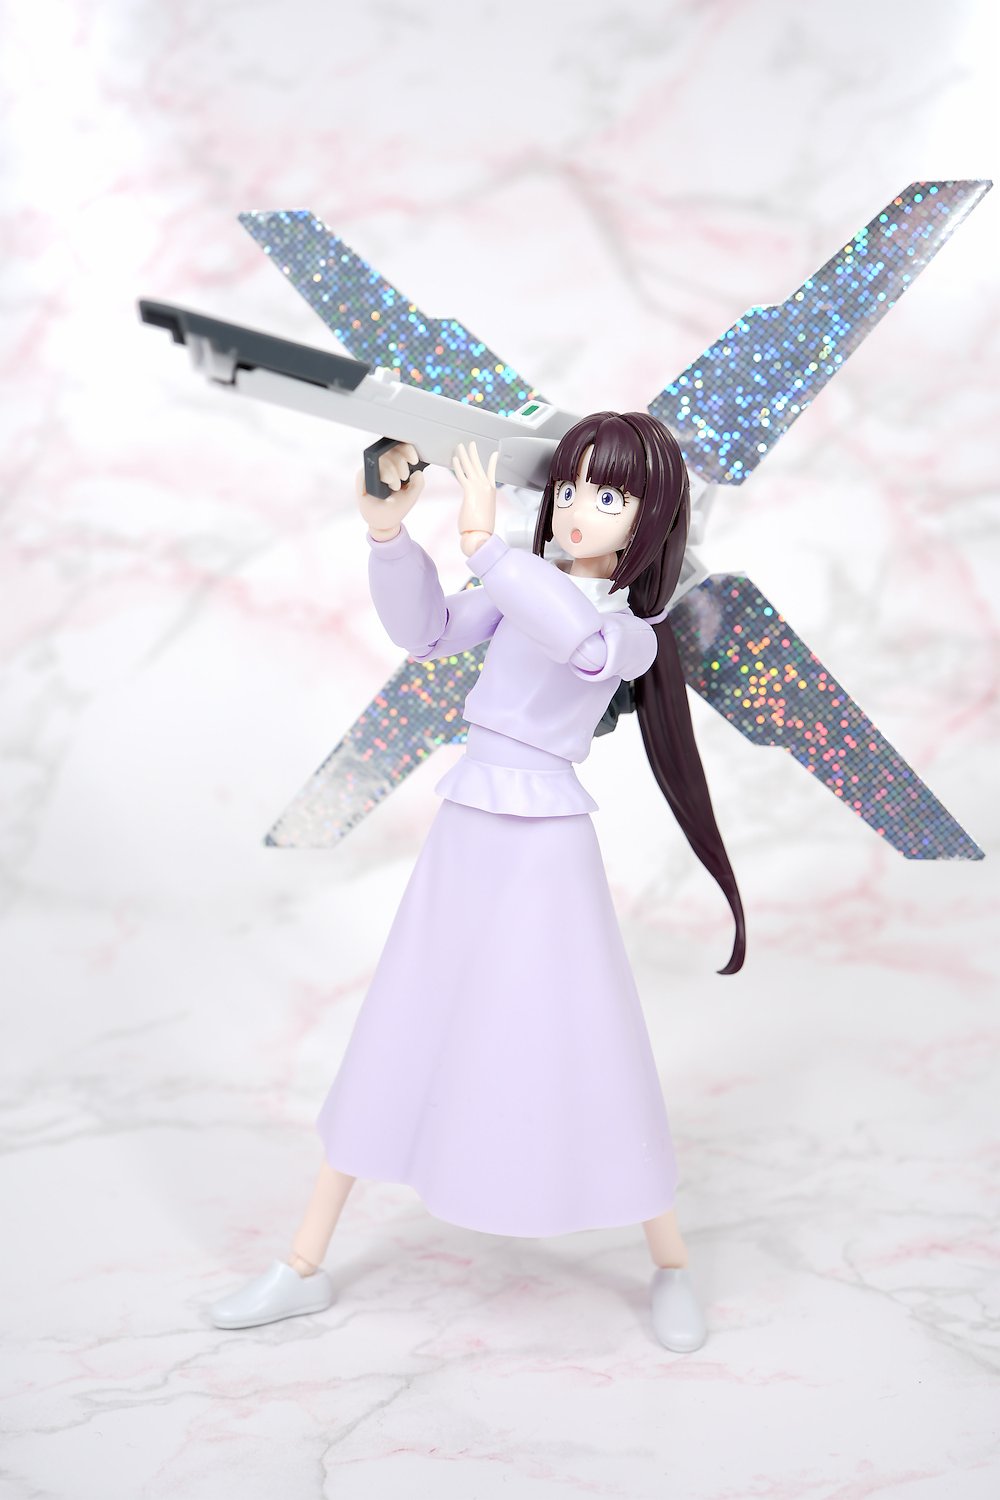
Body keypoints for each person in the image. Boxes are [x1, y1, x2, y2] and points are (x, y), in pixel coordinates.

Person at [210, 412, 744, 1353]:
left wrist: (488, 548)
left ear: (652, 517)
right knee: (406, 1014)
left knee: (587, 1037)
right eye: (569, 488)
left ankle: (669, 1263)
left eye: (607, 495)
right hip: (468, 822)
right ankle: (301, 1261)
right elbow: (426, 634)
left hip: (546, 842)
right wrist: (389, 537)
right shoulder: (520, 588)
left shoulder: (629, 635)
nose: (576, 510)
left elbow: (577, 641)